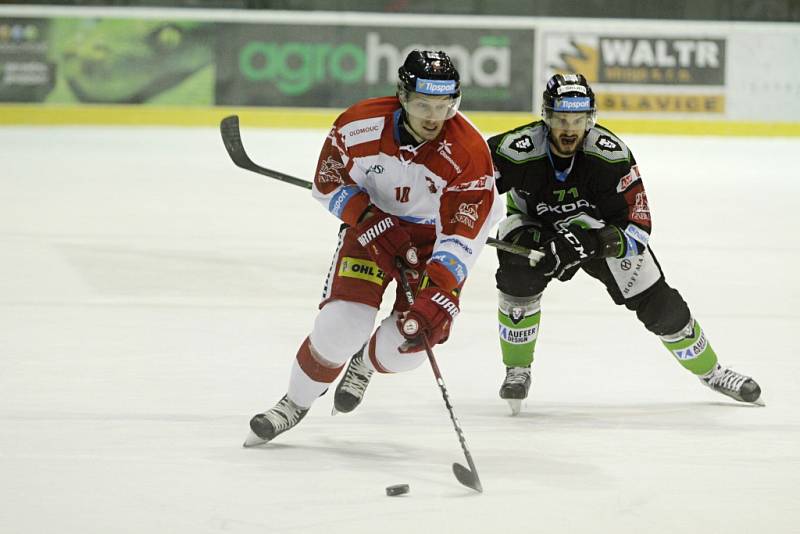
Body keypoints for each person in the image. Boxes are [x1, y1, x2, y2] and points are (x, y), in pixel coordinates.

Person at [245, 50, 503, 445]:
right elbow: (328, 184)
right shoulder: (359, 125)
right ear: (402, 95)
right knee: (339, 329)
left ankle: (364, 361)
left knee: (410, 346)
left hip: (438, 240)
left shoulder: (468, 153)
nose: (434, 117)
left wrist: (438, 291)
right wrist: (365, 218)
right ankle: (294, 403)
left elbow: (461, 237)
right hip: (371, 227)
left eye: (445, 105)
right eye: (422, 105)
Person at [488, 73, 763, 415]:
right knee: (517, 276)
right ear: (546, 117)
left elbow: (638, 227)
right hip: (532, 225)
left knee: (660, 304)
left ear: (590, 119)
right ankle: (517, 369)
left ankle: (713, 372)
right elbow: (467, 188)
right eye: (561, 119)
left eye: (578, 120)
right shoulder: (516, 149)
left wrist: (592, 243)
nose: (570, 129)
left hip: (600, 233)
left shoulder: (611, 155)